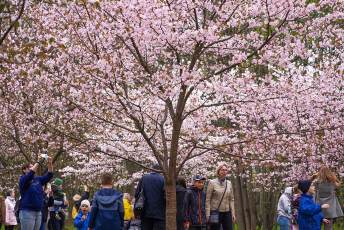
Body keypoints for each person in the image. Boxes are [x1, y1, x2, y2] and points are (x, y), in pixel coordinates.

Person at [19, 156, 53, 230]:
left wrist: (50, 163)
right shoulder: (23, 179)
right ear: (24, 170)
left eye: (33, 166)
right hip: (27, 212)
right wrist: (38, 162)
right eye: (30, 167)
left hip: (38, 212)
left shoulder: (38, 179)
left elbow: (49, 175)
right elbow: (31, 173)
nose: (33, 168)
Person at [134, 164, 165, 230]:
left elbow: (137, 194)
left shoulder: (144, 178)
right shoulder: (163, 179)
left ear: (151, 169)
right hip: (160, 213)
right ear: (160, 170)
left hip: (145, 212)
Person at [206, 164, 236, 230]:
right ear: (218, 171)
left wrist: (233, 213)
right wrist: (208, 214)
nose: (224, 172)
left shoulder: (229, 183)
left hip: (227, 212)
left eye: (226, 170)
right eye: (222, 170)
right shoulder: (212, 182)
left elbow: (231, 199)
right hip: (215, 212)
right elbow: (207, 200)